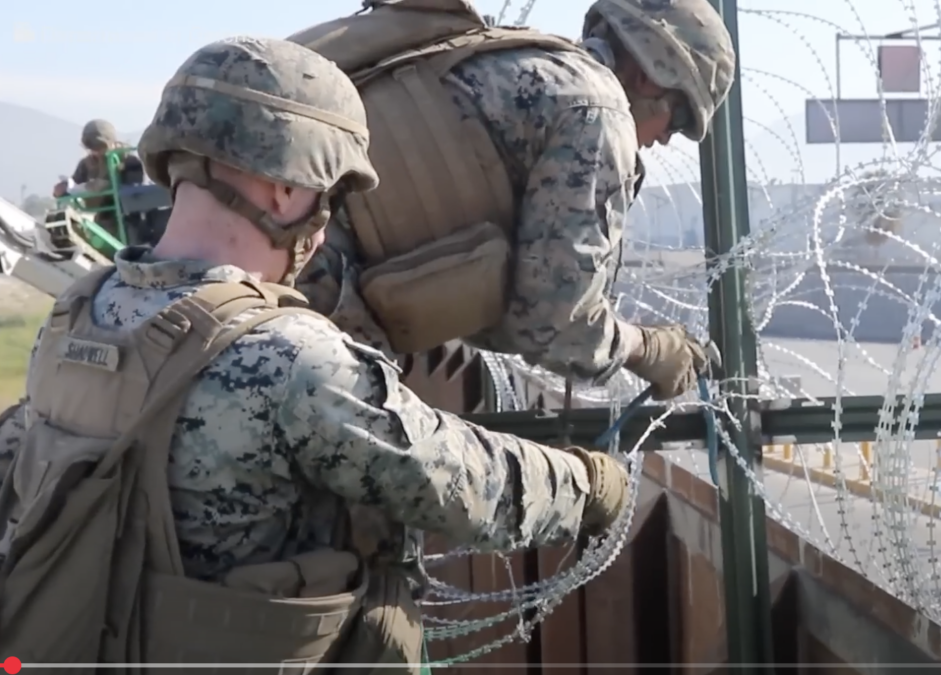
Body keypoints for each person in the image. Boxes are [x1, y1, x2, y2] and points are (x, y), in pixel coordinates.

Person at [0, 35, 629, 668]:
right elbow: (468, 484)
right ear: (281, 188)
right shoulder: (287, 359)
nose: (325, 225)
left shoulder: (77, 313)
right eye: (327, 196)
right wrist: (595, 485)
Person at [288, 0, 736, 402]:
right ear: (647, 74)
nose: (662, 141)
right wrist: (649, 349)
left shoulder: (519, 60)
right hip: (311, 299)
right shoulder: (598, 113)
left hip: (272, 243)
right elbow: (556, 326)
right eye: (677, 118)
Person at [51, 118, 147, 241]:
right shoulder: (86, 165)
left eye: (99, 147)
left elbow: (135, 190)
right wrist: (62, 190)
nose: (95, 152)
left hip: (129, 221)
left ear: (111, 142)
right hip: (102, 222)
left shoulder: (128, 160)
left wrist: (108, 185)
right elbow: (74, 187)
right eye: (91, 148)